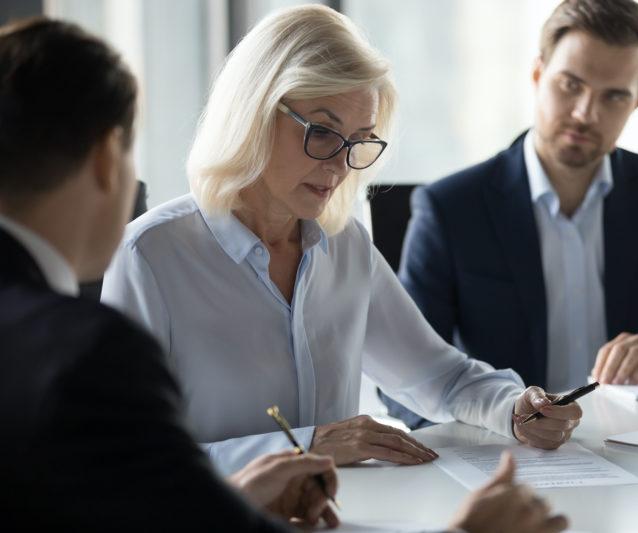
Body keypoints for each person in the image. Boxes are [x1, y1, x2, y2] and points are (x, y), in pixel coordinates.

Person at [0, 16, 569, 533]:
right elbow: (135, 470)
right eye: (321, 132)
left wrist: (514, 408)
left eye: (358, 141)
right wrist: (305, 447)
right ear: (254, 114)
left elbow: (439, 377)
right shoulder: (153, 254)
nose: (341, 164)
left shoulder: (345, 245)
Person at [383, 0, 638, 428]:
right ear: (538, 74)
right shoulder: (451, 208)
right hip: (503, 457)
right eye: (570, 85)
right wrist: (486, 430)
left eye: (614, 96)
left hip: (637, 454)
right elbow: (404, 382)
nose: (585, 113)